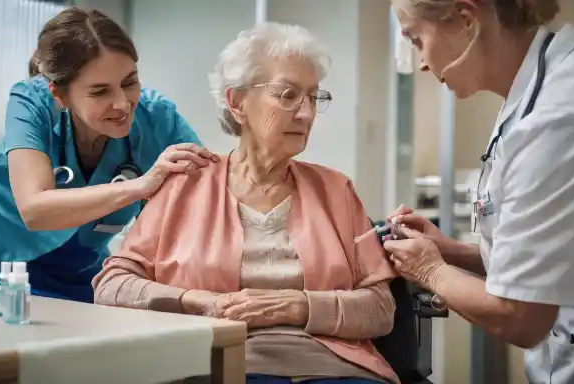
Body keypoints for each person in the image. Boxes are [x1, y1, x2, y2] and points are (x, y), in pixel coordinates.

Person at [93, 22, 400, 384]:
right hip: (212, 364)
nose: (305, 113)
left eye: (313, 97)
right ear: (237, 102)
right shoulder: (184, 184)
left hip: (332, 366)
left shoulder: (336, 189)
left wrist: (297, 304)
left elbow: (381, 309)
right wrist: (198, 301)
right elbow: (112, 285)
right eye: (287, 95)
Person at [382, 0, 574, 383]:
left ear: (465, 20)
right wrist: (454, 253)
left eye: (416, 39)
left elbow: (522, 317)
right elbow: (547, 256)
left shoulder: (566, 116)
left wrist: (430, 269)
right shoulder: (537, 90)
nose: (422, 64)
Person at [0, 7, 217, 303]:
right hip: (4, 249)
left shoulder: (156, 116)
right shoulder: (31, 102)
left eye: (130, 82)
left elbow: (211, 188)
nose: (122, 104)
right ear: (60, 94)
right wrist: (140, 186)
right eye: (99, 92)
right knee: (4, 335)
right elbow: (34, 208)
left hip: (82, 256)